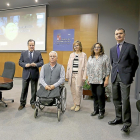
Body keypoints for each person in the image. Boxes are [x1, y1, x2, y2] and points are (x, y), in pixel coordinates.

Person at [108, 28, 139, 132]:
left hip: (125, 77)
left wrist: (130, 74)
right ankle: (118, 118)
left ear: (124, 35)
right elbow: (113, 63)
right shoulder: (112, 49)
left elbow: (135, 62)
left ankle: (127, 123)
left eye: (120, 33)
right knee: (116, 99)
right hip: (114, 77)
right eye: (116, 34)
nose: (118, 35)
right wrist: (114, 73)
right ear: (114, 36)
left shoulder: (130, 47)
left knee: (125, 100)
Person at [87, 43, 111, 119]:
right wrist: (88, 79)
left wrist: (106, 79)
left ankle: (101, 111)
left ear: (101, 48)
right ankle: (96, 110)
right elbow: (88, 69)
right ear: (93, 49)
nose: (96, 48)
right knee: (94, 96)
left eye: (98, 47)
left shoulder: (105, 57)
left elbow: (108, 69)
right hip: (92, 80)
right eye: (95, 47)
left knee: (100, 95)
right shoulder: (91, 57)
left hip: (101, 80)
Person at [18, 39, 44, 110]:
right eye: (30, 45)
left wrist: (36, 64)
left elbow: (41, 62)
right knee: (24, 89)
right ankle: (22, 103)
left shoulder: (38, 53)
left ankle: (33, 103)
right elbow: (20, 62)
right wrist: (25, 65)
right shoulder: (23, 53)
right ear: (28, 45)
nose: (31, 46)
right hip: (25, 74)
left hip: (34, 74)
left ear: (34, 46)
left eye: (33, 45)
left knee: (34, 90)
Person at [66, 40, 87, 112]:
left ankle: (78, 105)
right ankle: (75, 103)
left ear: (80, 46)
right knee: (73, 90)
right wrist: (67, 75)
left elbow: (85, 66)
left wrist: (84, 77)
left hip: (79, 75)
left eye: (77, 45)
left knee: (78, 90)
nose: (76, 47)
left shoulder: (83, 55)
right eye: (75, 46)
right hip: (72, 75)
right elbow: (68, 65)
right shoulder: (71, 55)